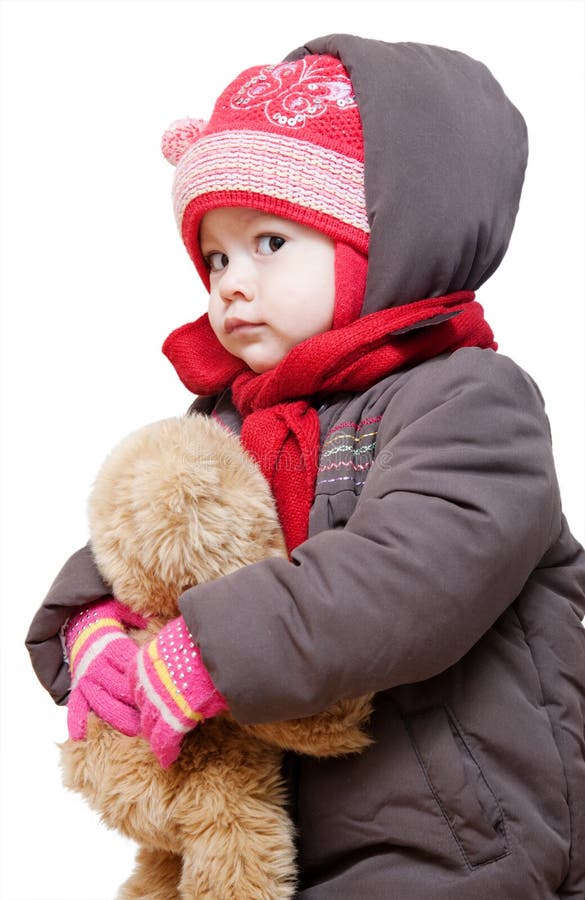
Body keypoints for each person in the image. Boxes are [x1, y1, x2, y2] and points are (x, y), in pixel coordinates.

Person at [26, 34, 585, 898]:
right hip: (270, 825)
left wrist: (202, 652)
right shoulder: (227, 418)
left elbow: (408, 575)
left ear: (386, 242)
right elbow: (148, 533)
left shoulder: (471, 401)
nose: (229, 284)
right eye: (215, 257)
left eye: (269, 244)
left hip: (455, 834)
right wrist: (93, 626)